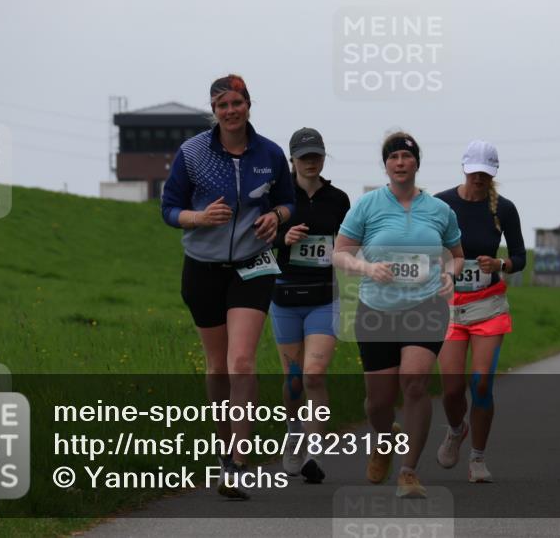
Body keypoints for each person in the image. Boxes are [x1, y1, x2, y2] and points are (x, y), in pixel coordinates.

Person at [161, 74, 295, 500]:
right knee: (218, 366)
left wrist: (277, 215)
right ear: (213, 111)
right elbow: (168, 209)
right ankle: (223, 449)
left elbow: (289, 201)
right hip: (202, 266)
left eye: (236, 103)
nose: (230, 111)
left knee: (241, 361)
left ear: (248, 105)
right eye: (222, 105)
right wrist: (199, 218)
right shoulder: (194, 153)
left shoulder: (270, 153)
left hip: (253, 264)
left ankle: (238, 461)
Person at [333, 132, 463, 499]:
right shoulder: (368, 205)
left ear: (416, 163)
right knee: (378, 401)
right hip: (376, 310)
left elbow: (456, 254)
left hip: (425, 307)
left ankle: (408, 472)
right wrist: (366, 269)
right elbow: (339, 253)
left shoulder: (440, 210)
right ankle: (382, 438)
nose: (401, 163)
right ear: (386, 165)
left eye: (407, 156)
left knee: (416, 382)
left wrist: (450, 273)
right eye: (394, 158)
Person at [434, 140, 526, 483]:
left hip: (488, 304)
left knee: (481, 384)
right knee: (453, 389)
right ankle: (457, 429)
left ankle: (478, 458)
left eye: (486, 175)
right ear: (464, 168)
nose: (479, 180)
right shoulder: (442, 204)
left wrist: (499, 262)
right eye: (474, 173)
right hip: (448, 306)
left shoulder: (503, 208)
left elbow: (519, 257)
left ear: (493, 175)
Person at [270, 128, 351, 484]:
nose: (311, 162)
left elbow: (352, 243)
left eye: (316, 155)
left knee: (314, 374)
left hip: (324, 298)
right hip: (285, 297)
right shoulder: (278, 196)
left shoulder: (338, 199)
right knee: (293, 380)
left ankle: (314, 454)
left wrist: (343, 253)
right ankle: (293, 432)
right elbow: (256, 237)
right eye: (304, 157)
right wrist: (281, 238)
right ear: (292, 160)